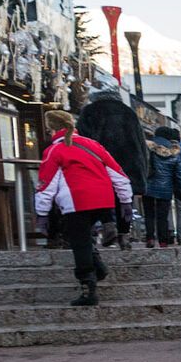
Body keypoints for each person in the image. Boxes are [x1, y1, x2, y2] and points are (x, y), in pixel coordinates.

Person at [35, 110, 134, 306]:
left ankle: (88, 287)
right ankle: (99, 258)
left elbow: (47, 184)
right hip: (103, 198)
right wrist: (125, 201)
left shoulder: (54, 150)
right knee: (84, 237)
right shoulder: (93, 145)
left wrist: (42, 213)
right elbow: (118, 174)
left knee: (79, 242)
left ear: (51, 128)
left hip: (76, 200)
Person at [75, 90, 149, 250]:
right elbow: (141, 142)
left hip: (100, 161)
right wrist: (143, 167)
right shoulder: (129, 112)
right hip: (129, 162)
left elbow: (82, 140)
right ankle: (124, 235)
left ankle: (108, 225)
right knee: (124, 199)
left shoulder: (89, 111)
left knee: (101, 195)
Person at [143, 127, 181, 248]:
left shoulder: (147, 148)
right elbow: (180, 173)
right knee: (163, 216)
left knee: (149, 214)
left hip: (148, 186)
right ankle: (163, 241)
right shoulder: (174, 152)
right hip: (166, 188)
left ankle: (150, 238)